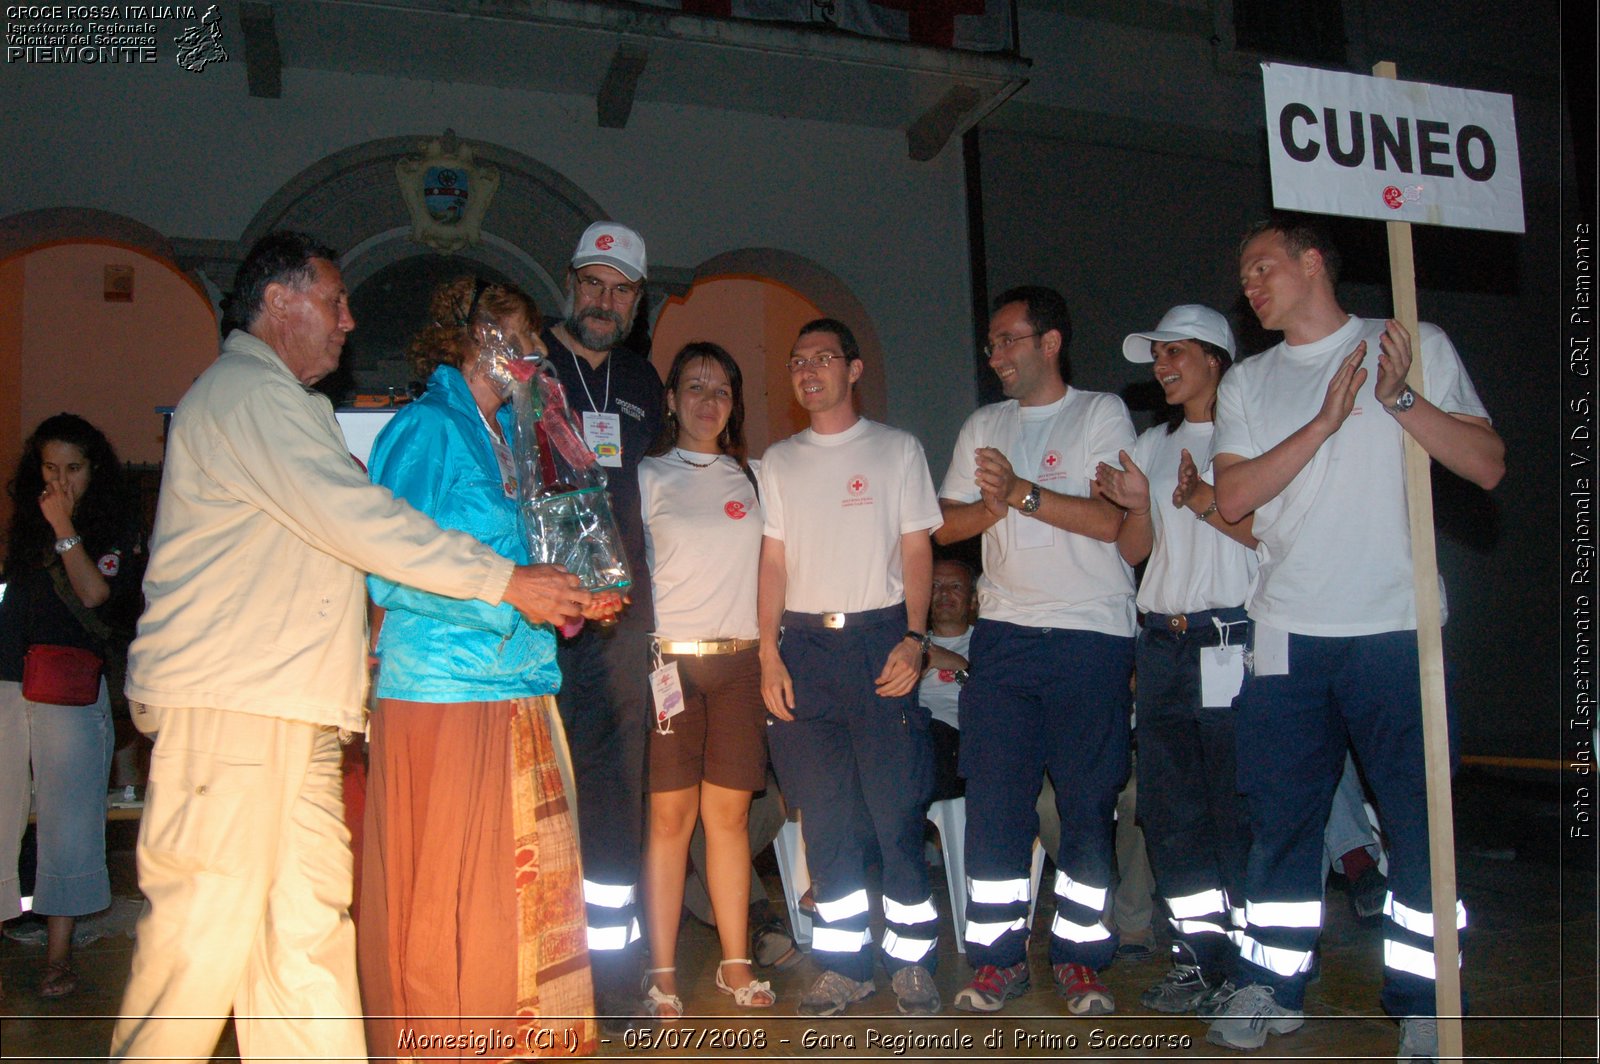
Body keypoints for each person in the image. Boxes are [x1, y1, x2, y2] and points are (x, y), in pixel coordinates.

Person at [110, 231, 602, 1063]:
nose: (349, 320)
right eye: (335, 301)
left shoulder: (280, 407)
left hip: (289, 708)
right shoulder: (244, 395)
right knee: (199, 938)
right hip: (234, 706)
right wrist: (506, 583)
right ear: (278, 301)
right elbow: (363, 523)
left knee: (303, 943)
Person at [1204, 214, 1504, 1057]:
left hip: (1396, 627)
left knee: (1417, 822)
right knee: (1283, 818)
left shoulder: (1409, 341)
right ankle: (1272, 983)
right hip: (1290, 629)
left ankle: (1426, 998)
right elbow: (1233, 501)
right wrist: (1325, 423)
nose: (1251, 284)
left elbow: (1486, 464)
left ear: (1312, 262)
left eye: (1263, 266)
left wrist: (1398, 399)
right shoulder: (1250, 383)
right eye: (1245, 272)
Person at [357, 278, 601, 1057]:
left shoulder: (515, 441)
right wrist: (516, 596)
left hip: (516, 687)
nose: (529, 353)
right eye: (516, 334)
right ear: (472, 333)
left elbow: (521, 570)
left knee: (523, 900)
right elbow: (385, 571)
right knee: (450, 903)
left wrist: (573, 600)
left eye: (533, 338)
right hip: (444, 692)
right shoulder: (426, 428)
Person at [935, 285, 1136, 1016]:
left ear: (1051, 343)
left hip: (1090, 633)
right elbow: (943, 528)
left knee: (1086, 802)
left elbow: (1113, 522)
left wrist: (1020, 493)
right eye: (991, 343)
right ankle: (997, 960)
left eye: (1009, 339)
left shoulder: (1099, 413)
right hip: (1007, 636)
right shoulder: (984, 424)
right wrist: (985, 508)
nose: (996, 355)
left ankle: (1082, 959)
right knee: (994, 801)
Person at [758, 318, 944, 1017]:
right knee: (824, 818)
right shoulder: (778, 461)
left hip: (879, 641)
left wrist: (916, 637)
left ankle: (912, 962)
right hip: (803, 646)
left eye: (823, 358)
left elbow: (918, 550)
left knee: (896, 810)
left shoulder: (896, 450)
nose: (809, 370)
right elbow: (772, 560)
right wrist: (768, 650)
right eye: (798, 359)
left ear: (854, 369)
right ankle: (844, 965)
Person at [1093, 304, 1258, 1013]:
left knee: (1234, 805)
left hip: (1232, 636)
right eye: (1156, 355)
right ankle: (1201, 957)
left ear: (1216, 358)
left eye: (1175, 353)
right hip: (1160, 638)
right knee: (1167, 808)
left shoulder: (1254, 435)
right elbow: (1134, 554)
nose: (1161, 367)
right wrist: (1138, 505)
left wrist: (1202, 501)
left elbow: (1272, 538)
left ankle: (1254, 968)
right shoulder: (1155, 444)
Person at [540, 221, 665, 1019]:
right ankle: (541, 967)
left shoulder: (646, 383)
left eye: (621, 290)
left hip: (622, 621)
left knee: (619, 793)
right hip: (539, 612)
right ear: (571, 282)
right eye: (593, 283)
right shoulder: (526, 369)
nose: (604, 301)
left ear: (637, 301)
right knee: (542, 785)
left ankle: (614, 985)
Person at [638, 341, 772, 1017]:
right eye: (694, 387)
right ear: (670, 399)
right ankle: (661, 972)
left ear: (733, 404)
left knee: (730, 819)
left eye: (721, 391)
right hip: (670, 665)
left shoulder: (753, 480)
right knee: (669, 818)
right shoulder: (647, 475)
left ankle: (734, 965)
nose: (707, 401)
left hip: (741, 665)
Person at [1, 414, 136, 999]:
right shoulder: (27, 521)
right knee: (2, 813)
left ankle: (59, 954)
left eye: (72, 469)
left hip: (70, 683)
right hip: (9, 677)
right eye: (50, 468)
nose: (59, 481)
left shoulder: (114, 526)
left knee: (71, 820)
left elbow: (94, 593)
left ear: (94, 468)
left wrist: (63, 527)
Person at [921, 558, 976, 801]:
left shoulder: (988, 644)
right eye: (934, 586)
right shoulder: (908, 646)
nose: (943, 594)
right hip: (911, 732)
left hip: (958, 741)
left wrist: (959, 666)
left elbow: (1000, 700)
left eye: (955, 587)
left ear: (973, 600)